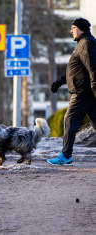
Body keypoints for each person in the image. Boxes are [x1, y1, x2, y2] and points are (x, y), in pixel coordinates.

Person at [47, 18, 96, 165]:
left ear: (80, 29)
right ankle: (65, 155)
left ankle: (65, 155)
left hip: (82, 93)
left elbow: (93, 69)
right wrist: (60, 82)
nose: (71, 30)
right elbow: (75, 70)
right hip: (86, 92)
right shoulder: (83, 43)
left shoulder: (86, 43)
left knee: (69, 120)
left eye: (73, 28)